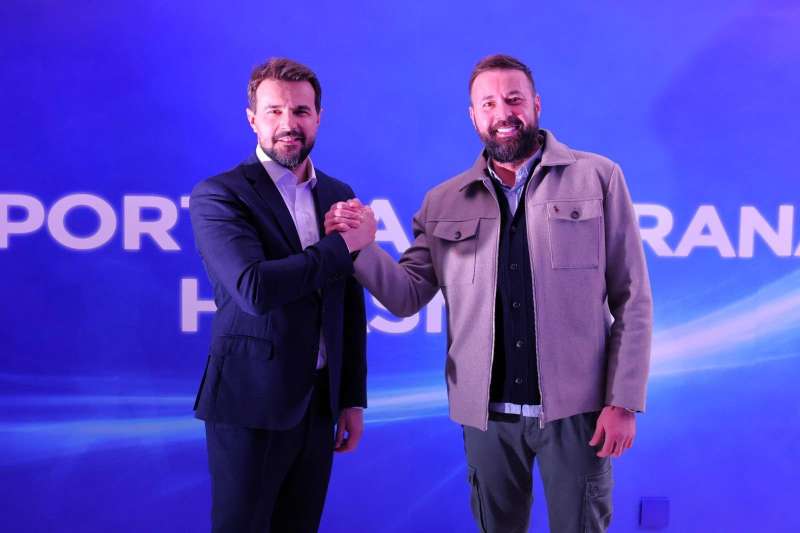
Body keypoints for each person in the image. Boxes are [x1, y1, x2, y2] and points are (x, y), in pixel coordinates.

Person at [326, 54, 652, 532]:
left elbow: (633, 298)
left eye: (514, 99)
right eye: (489, 104)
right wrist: (361, 248)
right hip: (488, 418)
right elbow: (406, 295)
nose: (503, 113)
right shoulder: (443, 202)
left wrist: (623, 402)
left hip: (578, 414)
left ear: (536, 104)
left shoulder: (598, 178)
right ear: (473, 116)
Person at [189, 57, 375, 533]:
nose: (288, 124)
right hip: (250, 404)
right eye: (274, 111)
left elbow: (347, 301)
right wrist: (341, 246)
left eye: (300, 111)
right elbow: (254, 288)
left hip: (318, 406)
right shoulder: (220, 195)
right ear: (252, 119)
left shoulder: (338, 192)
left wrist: (350, 397)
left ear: (318, 117)